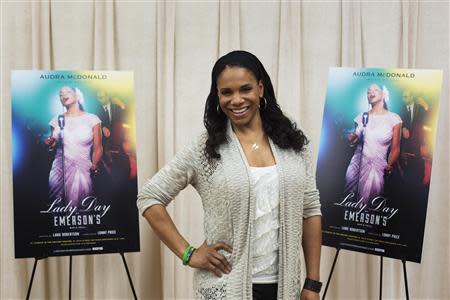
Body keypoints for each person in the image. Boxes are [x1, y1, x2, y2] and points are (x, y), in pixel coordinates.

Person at [137, 51, 322, 300]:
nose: (236, 100)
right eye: (226, 92)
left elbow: (310, 210)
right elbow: (150, 197)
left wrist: (312, 282)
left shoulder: (291, 141)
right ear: (217, 96)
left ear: (260, 88)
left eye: (245, 89)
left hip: (284, 288)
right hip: (225, 288)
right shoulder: (207, 148)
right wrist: (188, 253)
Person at [344, 84, 401, 204]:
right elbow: (351, 141)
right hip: (357, 165)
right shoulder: (361, 116)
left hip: (378, 166)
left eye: (375, 90)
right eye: (368, 91)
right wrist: (357, 131)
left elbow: (395, 148)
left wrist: (390, 165)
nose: (371, 92)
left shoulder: (394, 119)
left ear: (384, 95)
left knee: (371, 204)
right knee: (350, 203)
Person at [45, 86, 102, 207]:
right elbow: (53, 145)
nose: (63, 95)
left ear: (77, 95)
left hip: (83, 169)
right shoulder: (56, 120)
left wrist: (95, 164)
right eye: (61, 94)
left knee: (83, 206)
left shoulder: (92, 119)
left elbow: (98, 147)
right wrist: (50, 144)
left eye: (68, 92)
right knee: (57, 207)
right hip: (59, 170)